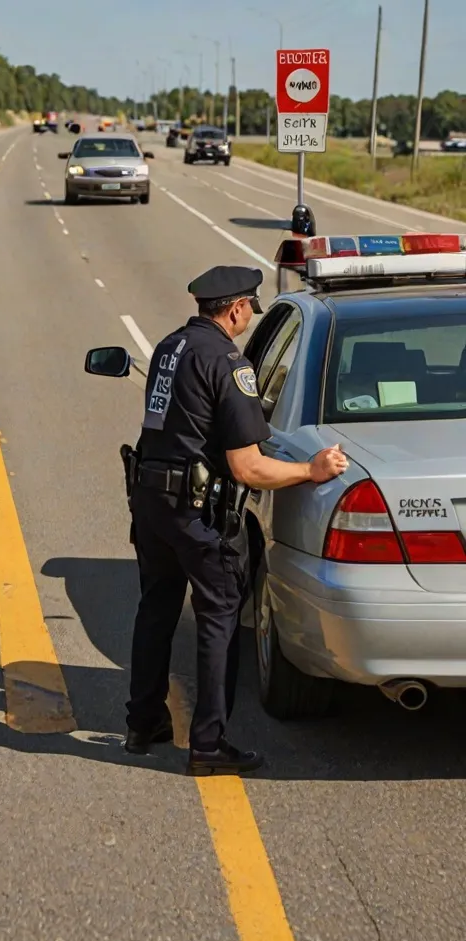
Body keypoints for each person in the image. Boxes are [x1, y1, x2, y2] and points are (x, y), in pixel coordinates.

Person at [123, 265, 348, 775]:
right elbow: (248, 467)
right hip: (197, 510)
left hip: (152, 501)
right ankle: (208, 743)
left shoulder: (169, 347)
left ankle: (143, 722)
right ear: (236, 309)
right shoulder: (226, 363)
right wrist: (310, 470)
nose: (248, 317)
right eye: (249, 308)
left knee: (156, 607)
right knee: (220, 615)